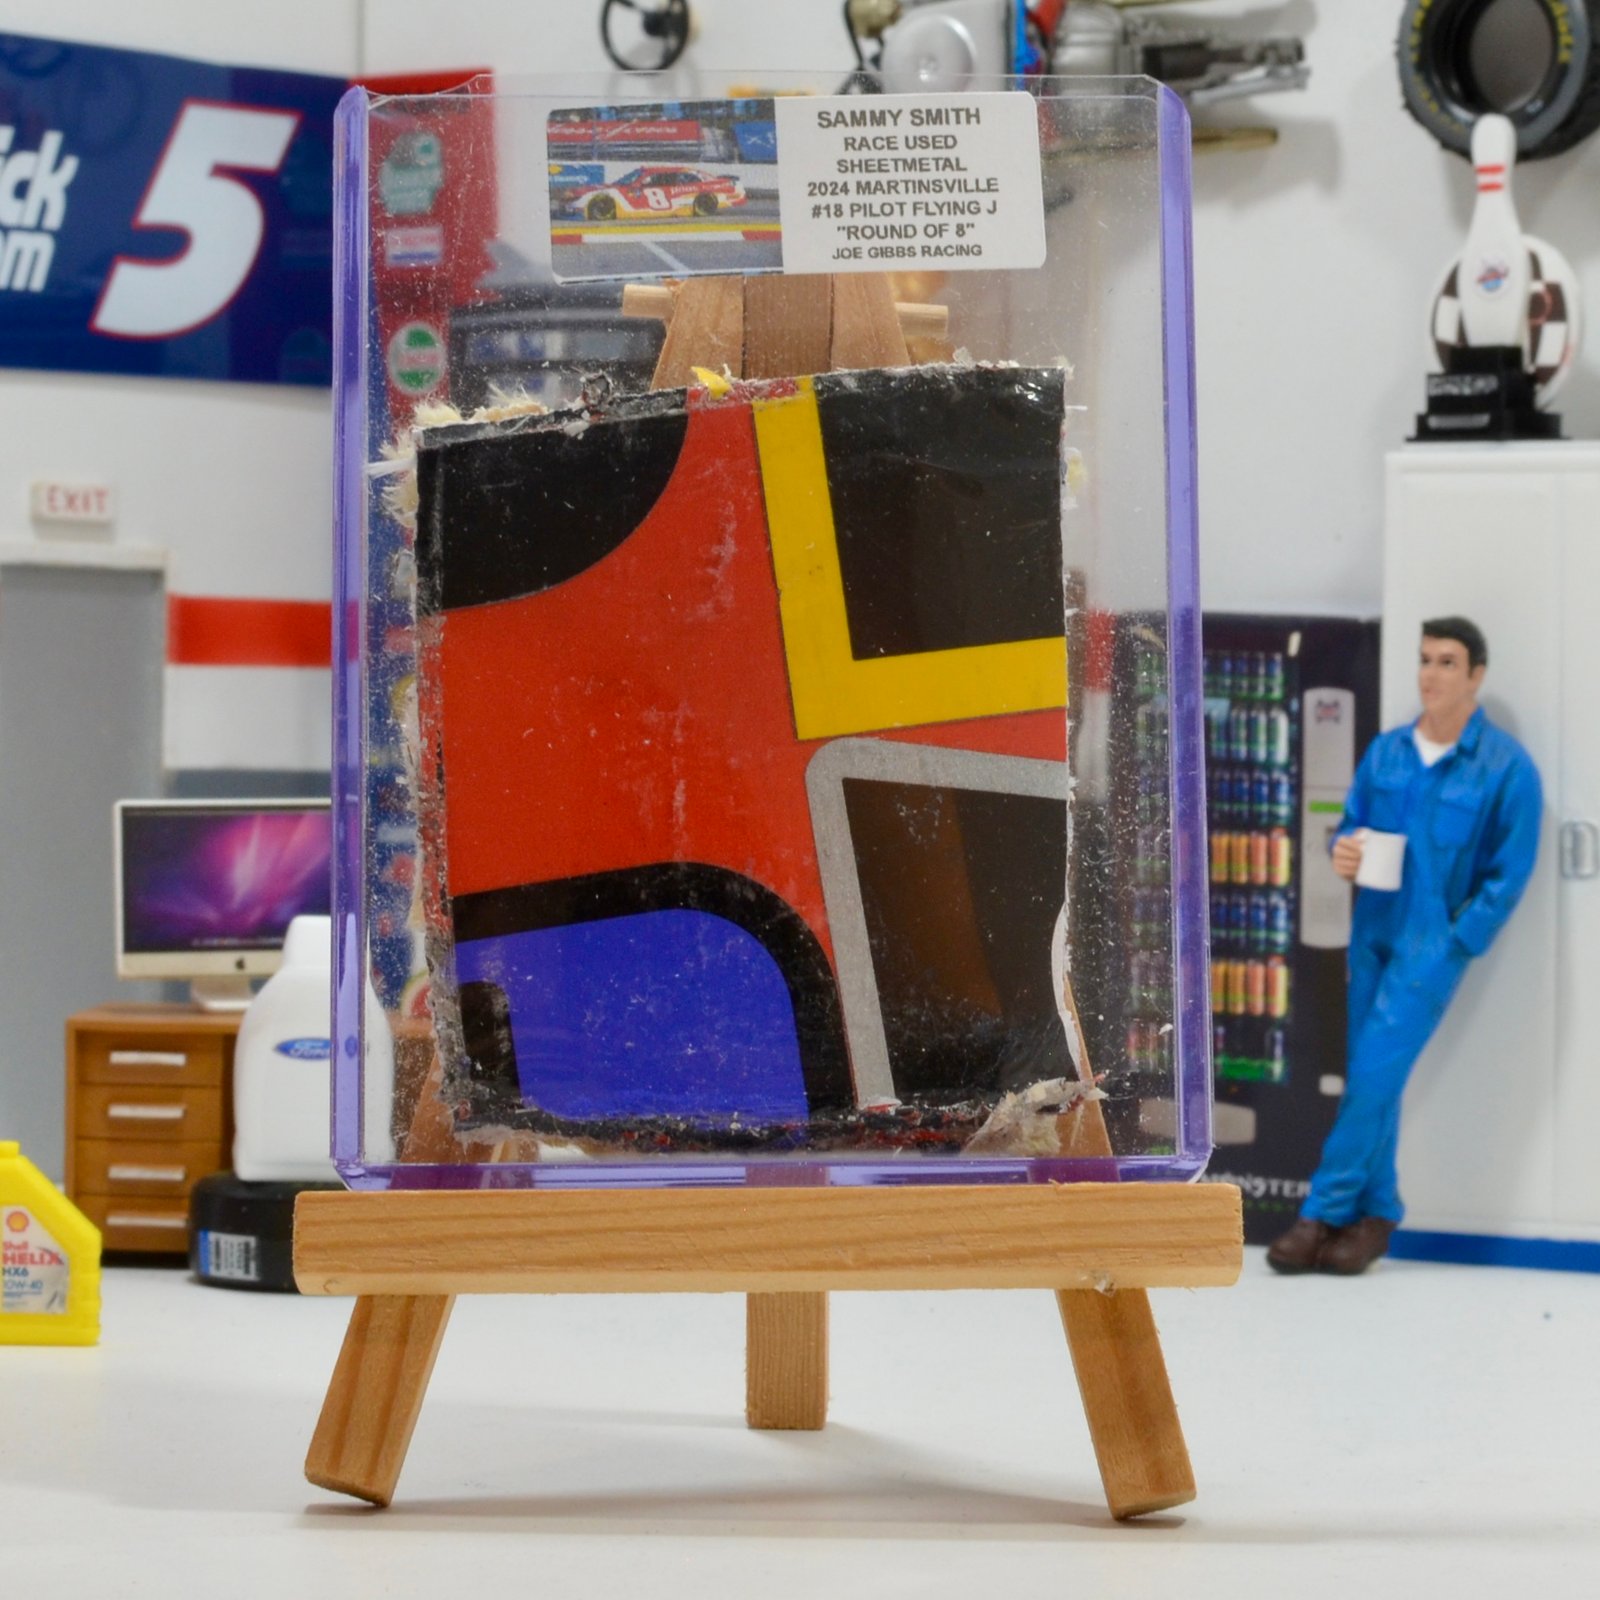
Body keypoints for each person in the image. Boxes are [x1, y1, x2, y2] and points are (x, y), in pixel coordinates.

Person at [1267, 617, 1541, 1276]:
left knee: (1371, 1075)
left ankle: (1323, 1211)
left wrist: (1457, 940)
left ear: (1475, 675)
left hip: (1430, 948)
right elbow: (1351, 826)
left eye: (1447, 662)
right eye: (1424, 659)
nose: (1430, 674)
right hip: (1371, 933)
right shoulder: (1387, 752)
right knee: (1374, 1077)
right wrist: (1344, 851)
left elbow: (1509, 875)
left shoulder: (1505, 768)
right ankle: (1379, 1211)